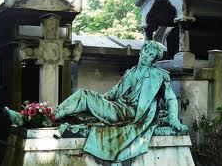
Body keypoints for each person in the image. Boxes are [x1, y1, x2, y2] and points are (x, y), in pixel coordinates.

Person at [54, 40, 188, 162]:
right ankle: (54, 115)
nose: (147, 55)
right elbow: (113, 93)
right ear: (141, 51)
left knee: (83, 96)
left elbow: (170, 98)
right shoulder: (129, 73)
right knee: (85, 96)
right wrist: (97, 99)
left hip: (130, 114)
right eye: (146, 51)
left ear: (154, 59)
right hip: (117, 108)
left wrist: (174, 120)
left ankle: (51, 117)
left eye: (151, 55)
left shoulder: (159, 75)